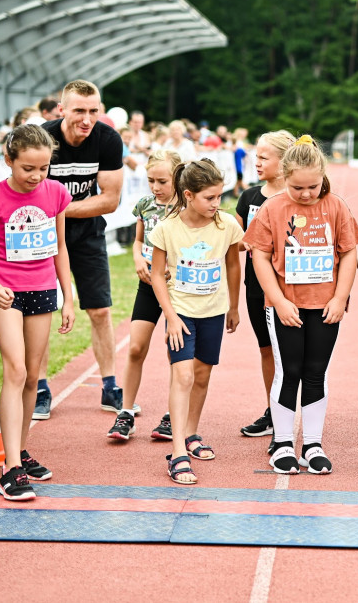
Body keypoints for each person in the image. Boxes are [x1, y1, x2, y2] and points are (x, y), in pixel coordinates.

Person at [244, 135, 358, 475]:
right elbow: (260, 257)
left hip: (326, 306)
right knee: (289, 371)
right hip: (286, 307)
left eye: (314, 186)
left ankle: (312, 443)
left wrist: (340, 297)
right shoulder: (273, 208)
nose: (307, 194)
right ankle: (283, 442)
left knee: (315, 372)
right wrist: (278, 301)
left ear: (323, 176)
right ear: (285, 178)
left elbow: (350, 250)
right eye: (298, 188)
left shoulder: (336, 206)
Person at [0, 125, 75, 499]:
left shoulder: (56, 193)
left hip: (43, 289)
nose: (36, 176)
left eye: (43, 168)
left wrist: (69, 295)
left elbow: (60, 248)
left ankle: (21, 450)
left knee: (31, 376)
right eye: (28, 168)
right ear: (9, 160)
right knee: (15, 370)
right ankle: (10, 467)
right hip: (6, 294)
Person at [148, 159, 242, 484]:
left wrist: (234, 307)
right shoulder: (166, 229)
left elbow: (233, 265)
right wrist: (170, 316)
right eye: (210, 198)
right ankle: (177, 454)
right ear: (188, 195)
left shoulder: (226, 225)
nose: (216, 204)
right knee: (183, 375)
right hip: (181, 313)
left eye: (219, 197)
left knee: (201, 375)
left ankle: (190, 433)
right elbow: (156, 275)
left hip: (214, 311)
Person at [35, 80, 124, 418]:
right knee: (39, 312)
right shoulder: (43, 138)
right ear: (62, 110)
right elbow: (28, 191)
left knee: (100, 311)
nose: (86, 119)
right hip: (42, 236)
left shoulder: (108, 139)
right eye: (79, 111)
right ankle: (41, 389)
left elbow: (110, 200)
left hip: (87, 234)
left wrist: (58, 206)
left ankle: (110, 387)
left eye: (93, 111)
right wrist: (58, 210)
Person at [106, 149, 183, 441]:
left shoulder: (187, 209)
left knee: (175, 352)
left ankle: (171, 414)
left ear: (177, 177)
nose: (155, 187)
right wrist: (138, 258)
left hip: (177, 290)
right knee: (136, 348)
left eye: (162, 181)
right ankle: (125, 413)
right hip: (149, 285)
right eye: (151, 180)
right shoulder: (145, 205)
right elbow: (138, 241)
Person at [237, 130, 294, 443]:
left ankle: (288, 411)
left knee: (289, 351)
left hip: (290, 287)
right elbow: (233, 238)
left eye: (263, 157)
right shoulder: (249, 197)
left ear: (284, 161)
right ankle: (274, 411)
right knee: (266, 349)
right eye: (255, 156)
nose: (256, 162)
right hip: (255, 286)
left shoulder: (297, 195)